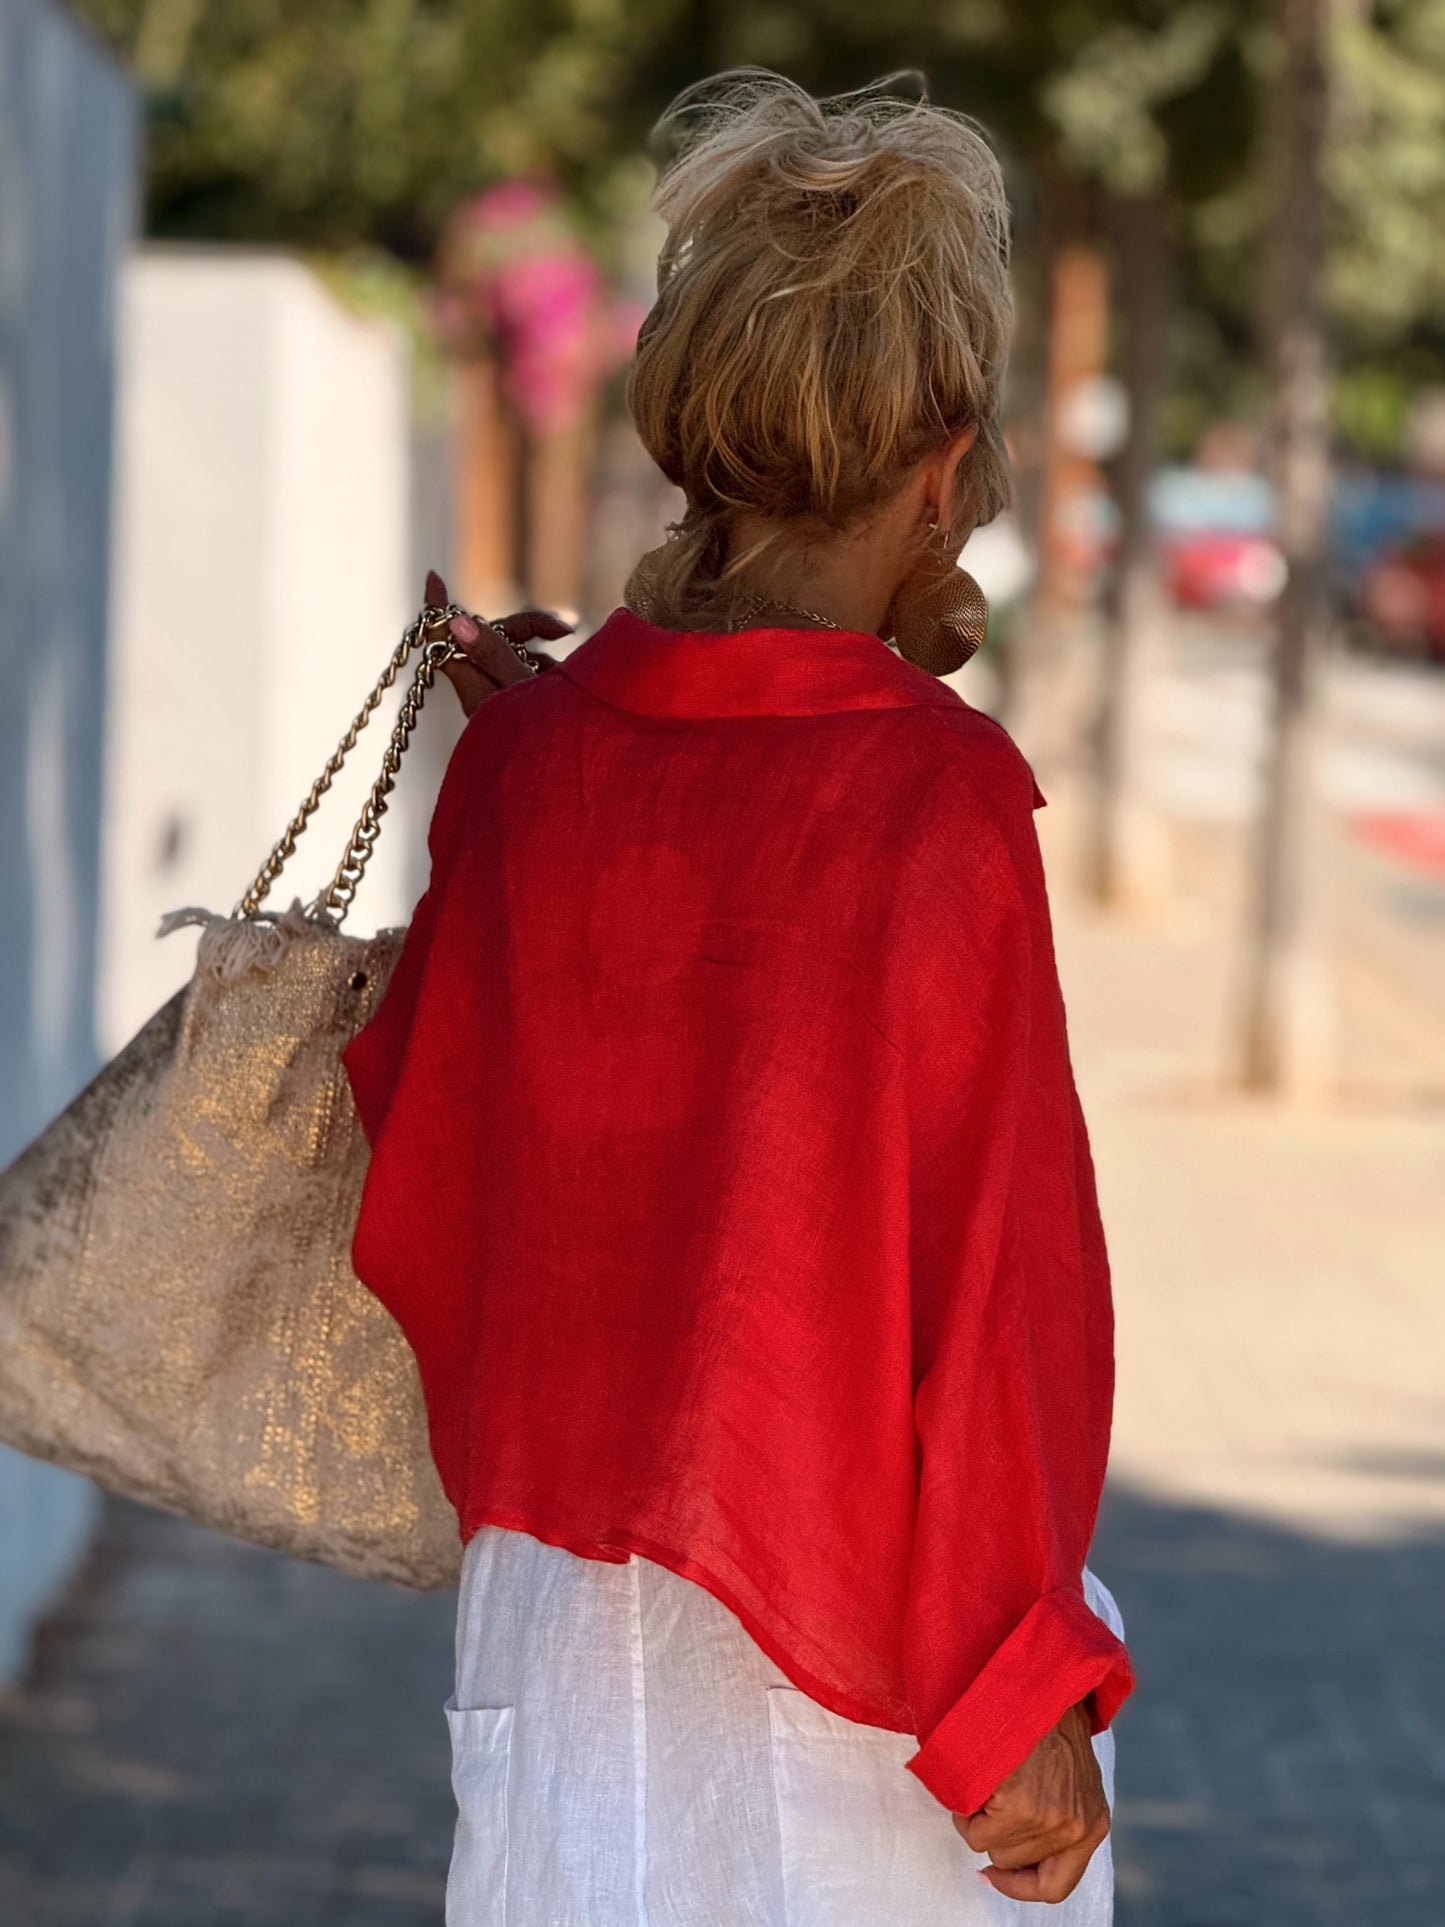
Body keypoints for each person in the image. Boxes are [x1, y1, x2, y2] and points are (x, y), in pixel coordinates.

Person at [343, 72, 1133, 1927]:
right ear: (944, 458)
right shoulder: (931, 797)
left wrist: (548, 771)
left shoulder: (532, 771)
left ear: (700, 439)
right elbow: (990, 1279)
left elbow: (439, 1170)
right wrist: (1023, 1684)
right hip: (856, 1660)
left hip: (551, 1631)